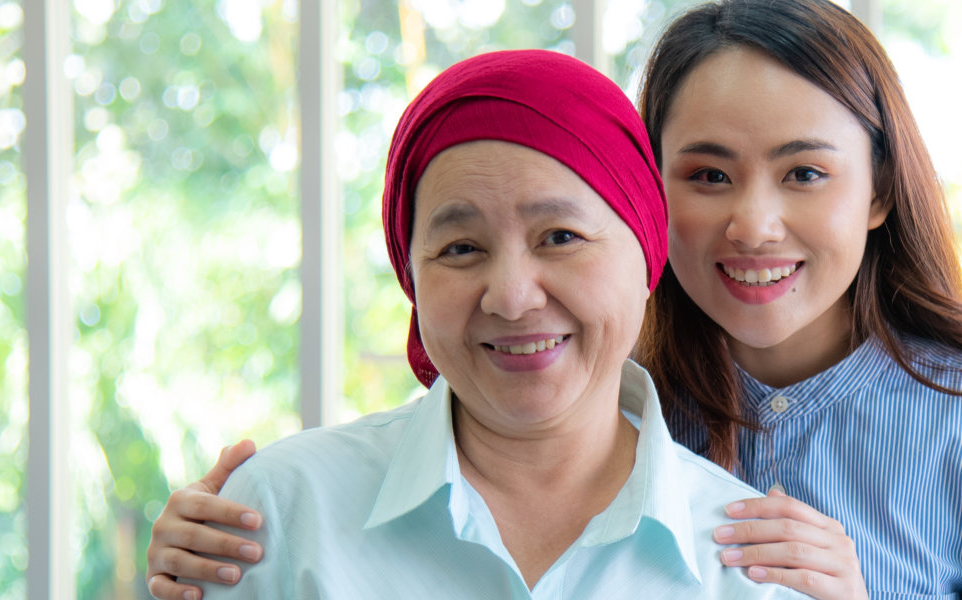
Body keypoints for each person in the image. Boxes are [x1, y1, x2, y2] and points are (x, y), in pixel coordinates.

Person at [150, 1, 962, 598]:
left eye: (805, 174)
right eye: (707, 174)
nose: (754, 226)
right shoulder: (571, 383)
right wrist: (224, 544)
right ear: (644, 202)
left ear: (880, 192)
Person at [183, 49, 798, 599]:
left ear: (647, 256)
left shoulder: (757, 570)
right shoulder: (276, 517)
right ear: (412, 280)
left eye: (560, 237)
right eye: (460, 249)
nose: (511, 297)